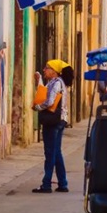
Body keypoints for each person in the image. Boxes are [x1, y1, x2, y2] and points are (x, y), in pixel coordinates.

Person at [32, 60, 75, 193]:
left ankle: (46, 184)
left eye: (47, 68)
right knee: (57, 152)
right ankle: (62, 183)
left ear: (54, 71)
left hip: (53, 121)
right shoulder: (57, 83)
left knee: (50, 153)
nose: (44, 70)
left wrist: (37, 107)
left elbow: (49, 101)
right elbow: (44, 92)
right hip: (60, 120)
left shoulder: (56, 83)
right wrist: (39, 80)